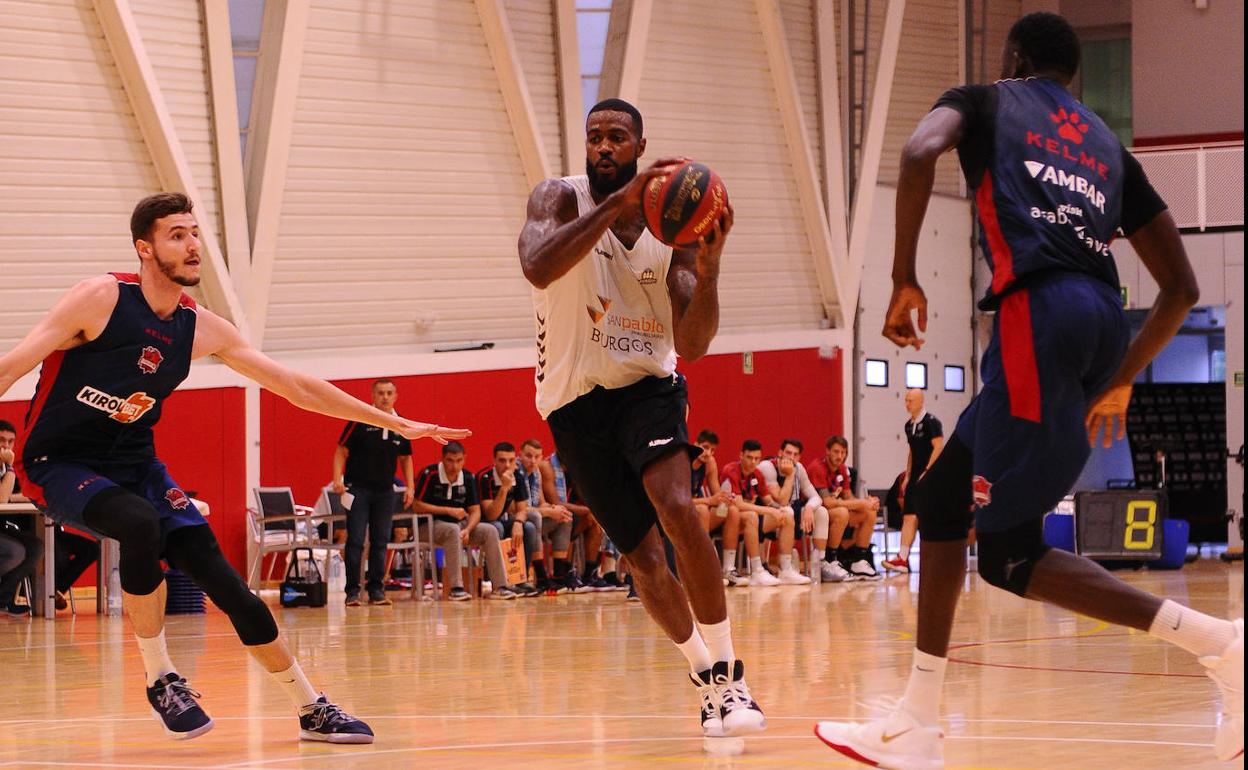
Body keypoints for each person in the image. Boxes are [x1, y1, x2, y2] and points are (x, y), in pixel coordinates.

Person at [814, 14, 1243, 767]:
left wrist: (903, 276)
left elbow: (918, 152)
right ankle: (917, 718)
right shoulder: (1106, 145)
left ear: (1013, 59)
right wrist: (1116, 382)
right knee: (942, 500)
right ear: (1073, 78)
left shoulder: (986, 99)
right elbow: (1180, 288)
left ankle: (1220, 644)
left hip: (1033, 317)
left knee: (1010, 557)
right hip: (1098, 319)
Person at [1, 192, 468, 743]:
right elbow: (14, 364)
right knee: (138, 524)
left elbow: (294, 386)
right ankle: (161, 678)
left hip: (136, 464)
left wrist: (394, 422)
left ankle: (310, 707)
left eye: (194, 233)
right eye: (177, 235)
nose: (193, 244)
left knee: (230, 587)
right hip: (57, 463)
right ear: (144, 249)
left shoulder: (199, 326)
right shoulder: (100, 297)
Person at [518, 98, 765, 738]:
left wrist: (708, 273)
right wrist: (615, 207)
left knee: (677, 507)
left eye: (617, 138)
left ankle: (734, 678)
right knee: (643, 557)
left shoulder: (671, 226)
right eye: (595, 136)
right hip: (572, 401)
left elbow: (697, 341)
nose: (603, 146)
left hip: (649, 387)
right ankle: (703, 678)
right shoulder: (560, 199)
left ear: (639, 145)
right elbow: (536, 266)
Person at [331, 378, 415, 606]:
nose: (385, 397)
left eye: (389, 393)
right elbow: (341, 450)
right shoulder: (360, 419)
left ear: (395, 396)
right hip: (358, 491)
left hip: (385, 492)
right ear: (373, 396)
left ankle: (377, 590)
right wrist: (337, 478)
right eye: (381, 393)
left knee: (380, 541)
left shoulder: (400, 424)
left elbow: (406, 458)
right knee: (356, 540)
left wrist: (410, 486)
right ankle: (352, 592)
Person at [412, 442, 520, 601]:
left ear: (464, 460)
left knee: (490, 530)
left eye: (458, 461)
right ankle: (456, 588)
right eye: (450, 460)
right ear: (442, 459)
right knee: (452, 530)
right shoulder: (429, 473)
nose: (454, 466)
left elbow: (475, 511)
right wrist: (448, 510)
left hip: (460, 527)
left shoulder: (468, 477)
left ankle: (500, 586)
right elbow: (416, 506)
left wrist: (468, 530)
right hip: (428, 526)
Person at [720, 440, 808, 586]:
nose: (753, 462)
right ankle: (756, 571)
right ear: (741, 455)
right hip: (725, 516)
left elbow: (768, 500)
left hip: (748, 518)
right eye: (749, 457)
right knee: (750, 516)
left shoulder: (757, 475)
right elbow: (739, 505)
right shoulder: (731, 470)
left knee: (787, 515)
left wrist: (778, 509)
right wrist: (770, 510)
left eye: (756, 459)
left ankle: (786, 571)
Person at [883, 389, 943, 573]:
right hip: (914, 478)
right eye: (906, 400)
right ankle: (903, 559)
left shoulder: (932, 422)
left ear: (921, 401)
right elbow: (912, 451)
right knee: (909, 517)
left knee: (928, 518)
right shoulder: (908, 425)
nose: (907, 404)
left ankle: (937, 558)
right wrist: (908, 476)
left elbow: (938, 446)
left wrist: (927, 472)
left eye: (911, 400)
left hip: (930, 477)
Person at [476, 441, 540, 596]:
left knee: (528, 527)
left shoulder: (517, 475)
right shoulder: (484, 477)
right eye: (502, 460)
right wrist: (504, 488)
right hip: (481, 522)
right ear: (494, 461)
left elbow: (522, 508)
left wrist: (518, 522)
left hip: (500, 520)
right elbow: (491, 514)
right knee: (496, 527)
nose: (507, 465)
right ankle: (499, 583)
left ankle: (519, 579)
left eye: (511, 460)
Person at [757, 439, 824, 580]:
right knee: (788, 511)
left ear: (799, 457)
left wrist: (809, 508)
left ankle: (822, 564)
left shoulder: (799, 467)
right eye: (788, 453)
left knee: (822, 512)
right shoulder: (767, 467)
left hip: (787, 513)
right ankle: (785, 568)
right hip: (765, 514)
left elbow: (816, 497)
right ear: (780, 453)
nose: (791, 458)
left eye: (795, 455)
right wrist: (790, 475)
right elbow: (781, 501)